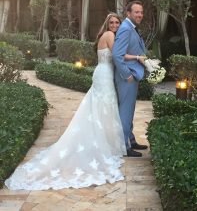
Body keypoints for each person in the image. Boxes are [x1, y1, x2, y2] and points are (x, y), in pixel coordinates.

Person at [5, 13, 127, 190]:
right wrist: (138, 58)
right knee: (104, 107)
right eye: (112, 22)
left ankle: (104, 141)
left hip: (102, 73)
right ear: (107, 24)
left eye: (117, 22)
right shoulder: (109, 35)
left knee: (101, 108)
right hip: (104, 75)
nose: (115, 25)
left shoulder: (104, 36)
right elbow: (118, 56)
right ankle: (103, 144)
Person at [112, 1, 148, 158]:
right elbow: (117, 55)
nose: (139, 15)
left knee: (129, 110)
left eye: (141, 12)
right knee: (125, 112)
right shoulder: (126, 29)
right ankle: (123, 146)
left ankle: (131, 140)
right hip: (126, 77)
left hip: (132, 75)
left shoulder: (131, 28)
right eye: (136, 12)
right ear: (128, 13)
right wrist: (127, 75)